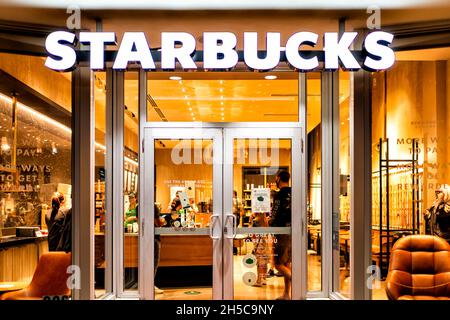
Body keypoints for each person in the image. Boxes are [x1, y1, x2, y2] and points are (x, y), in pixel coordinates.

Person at [269, 170, 292, 300]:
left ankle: (297, 280)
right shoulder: (295, 192)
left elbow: (275, 213)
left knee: (278, 264)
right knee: (287, 263)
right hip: (292, 232)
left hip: (282, 232)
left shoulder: (279, 195)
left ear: (278, 179)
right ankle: (286, 294)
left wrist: (269, 223)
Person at [154, 204, 165, 294]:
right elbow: (158, 222)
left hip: (143, 238)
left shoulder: (139, 206)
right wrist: (163, 220)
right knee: (154, 262)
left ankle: (145, 284)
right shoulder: (153, 207)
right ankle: (150, 285)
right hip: (154, 238)